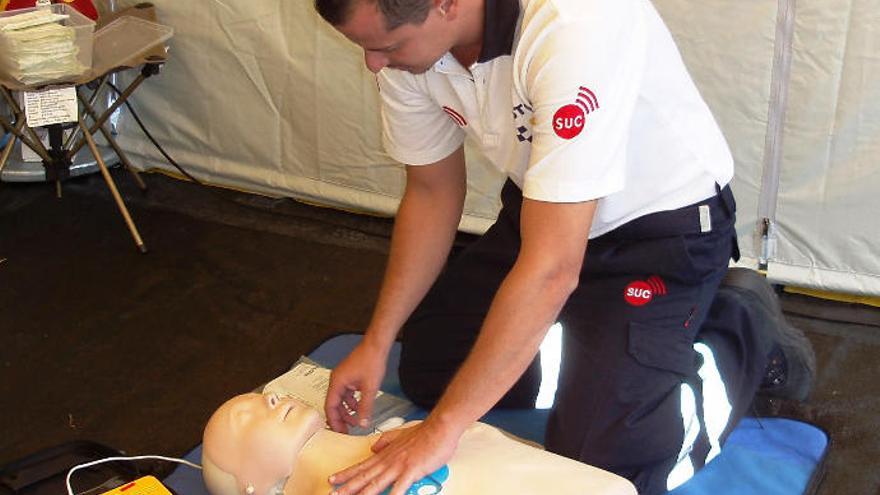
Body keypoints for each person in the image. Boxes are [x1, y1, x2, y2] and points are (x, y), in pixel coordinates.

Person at [311, 0, 816, 494]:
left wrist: (442, 431)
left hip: (660, 233)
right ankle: (603, 350)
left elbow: (552, 270)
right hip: (545, 214)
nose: (373, 62)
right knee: (428, 365)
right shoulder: (408, 48)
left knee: (603, 464)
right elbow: (431, 190)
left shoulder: (575, 22)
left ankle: (740, 323)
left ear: (445, 4)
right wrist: (377, 343)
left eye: (387, 45)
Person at [201, 392, 637, 495]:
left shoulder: (411, 431)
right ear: (248, 484)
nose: (274, 398)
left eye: (265, 395)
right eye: (249, 415)